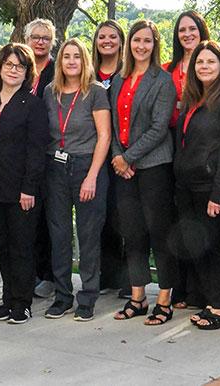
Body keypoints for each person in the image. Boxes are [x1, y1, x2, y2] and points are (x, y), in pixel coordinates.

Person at [174, 40, 220, 330]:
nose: (204, 67)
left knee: (214, 246)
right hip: (190, 184)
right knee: (200, 245)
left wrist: (219, 193)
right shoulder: (196, 97)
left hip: (213, 188)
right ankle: (210, 302)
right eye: (200, 62)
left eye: (211, 62)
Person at [108, 20, 176, 325]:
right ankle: (138, 297)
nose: (141, 46)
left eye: (147, 41)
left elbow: (160, 128)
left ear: (154, 44)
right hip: (124, 169)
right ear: (129, 44)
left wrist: (129, 158)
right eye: (136, 40)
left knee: (158, 233)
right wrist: (117, 157)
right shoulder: (119, 79)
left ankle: (164, 300)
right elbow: (109, 124)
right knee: (132, 234)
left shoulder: (162, 80)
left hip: (154, 166)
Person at [42, 38, 111, 322]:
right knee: (58, 235)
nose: (71, 61)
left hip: (86, 166)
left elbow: (104, 135)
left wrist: (92, 176)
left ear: (85, 61)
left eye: (77, 57)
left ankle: (88, 297)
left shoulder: (94, 92)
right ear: (60, 62)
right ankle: (62, 296)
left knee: (88, 234)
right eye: (66, 57)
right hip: (55, 167)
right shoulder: (50, 92)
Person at [0, 43, 48, 324]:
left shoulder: (32, 105)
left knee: (22, 247)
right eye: (9, 64)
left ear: (27, 72)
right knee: (3, 247)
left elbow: (36, 149)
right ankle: (7, 299)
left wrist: (29, 188)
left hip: (22, 191)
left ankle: (22, 302)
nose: (13, 70)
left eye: (20, 66)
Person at [164, 10, 211, 310]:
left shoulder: (210, 63)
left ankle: (203, 291)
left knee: (200, 226)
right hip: (170, 148)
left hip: (201, 152)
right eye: (182, 30)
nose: (187, 34)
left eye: (192, 29)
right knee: (178, 223)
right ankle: (180, 289)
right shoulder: (167, 68)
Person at [91, 19, 131, 299]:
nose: (107, 41)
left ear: (121, 41)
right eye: (102, 36)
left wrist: (123, 154)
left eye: (113, 36)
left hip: (124, 154)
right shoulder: (89, 73)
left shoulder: (127, 73)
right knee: (100, 216)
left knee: (125, 216)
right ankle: (107, 275)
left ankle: (130, 279)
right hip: (94, 154)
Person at [23, 19, 57, 299]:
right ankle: (27, 272)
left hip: (49, 152)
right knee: (25, 216)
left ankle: (48, 275)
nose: (40, 42)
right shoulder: (18, 66)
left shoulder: (58, 70)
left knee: (48, 217)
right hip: (20, 153)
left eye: (46, 38)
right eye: (35, 37)